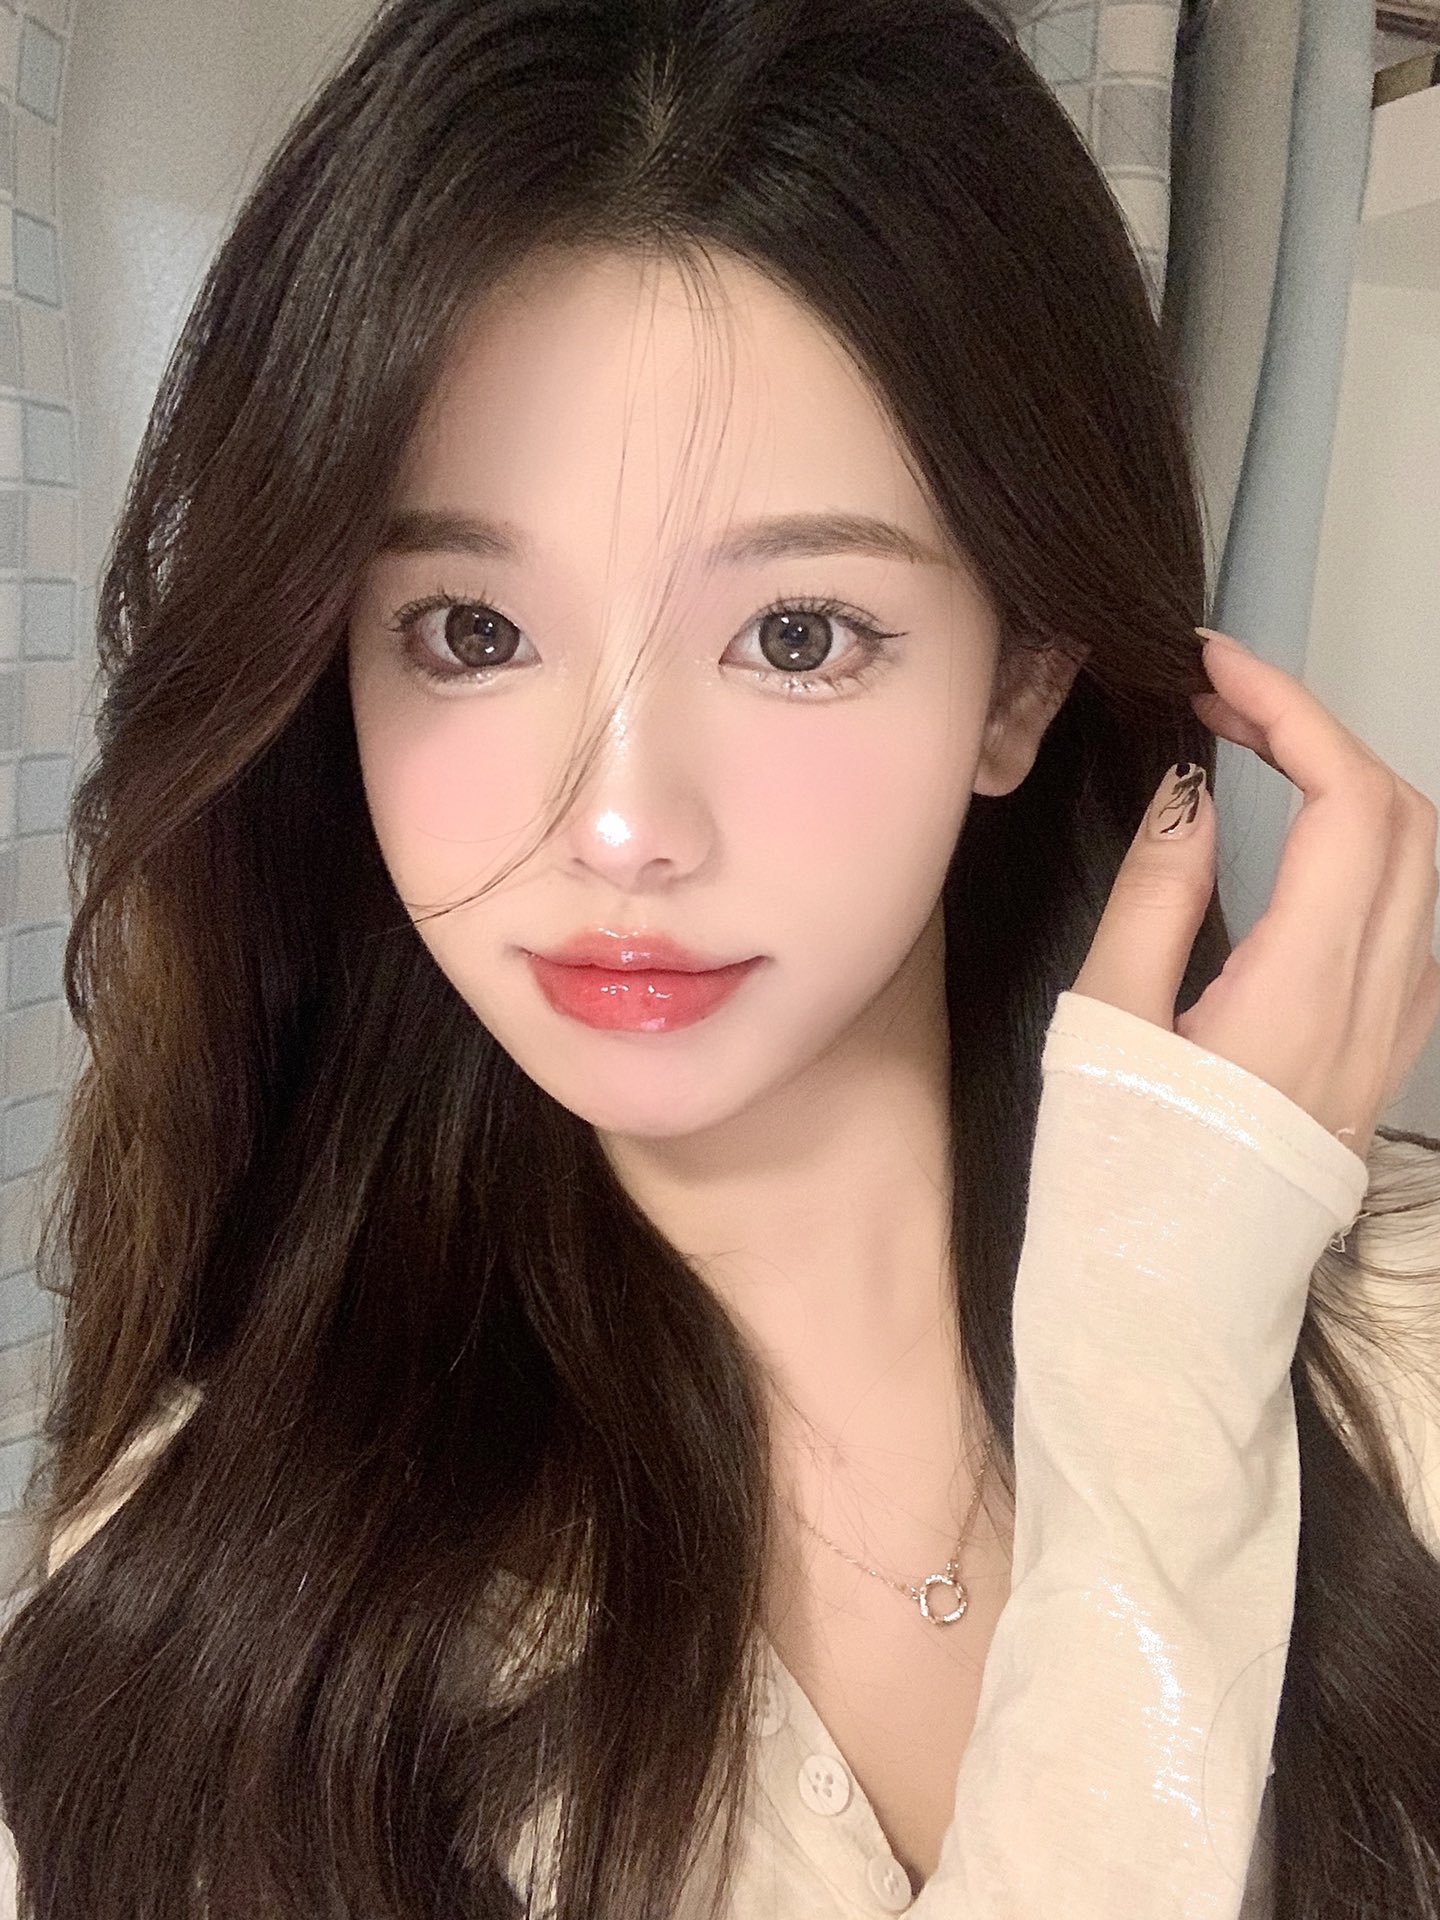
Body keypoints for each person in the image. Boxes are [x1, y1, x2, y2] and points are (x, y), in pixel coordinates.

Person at [1, 1, 1439, 1915]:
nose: (621, 826)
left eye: (798, 635)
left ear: (1019, 684)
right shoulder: (200, 1640)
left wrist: (1207, 1281)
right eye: (469, 631)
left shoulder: (1406, 1347)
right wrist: (1163, 1382)